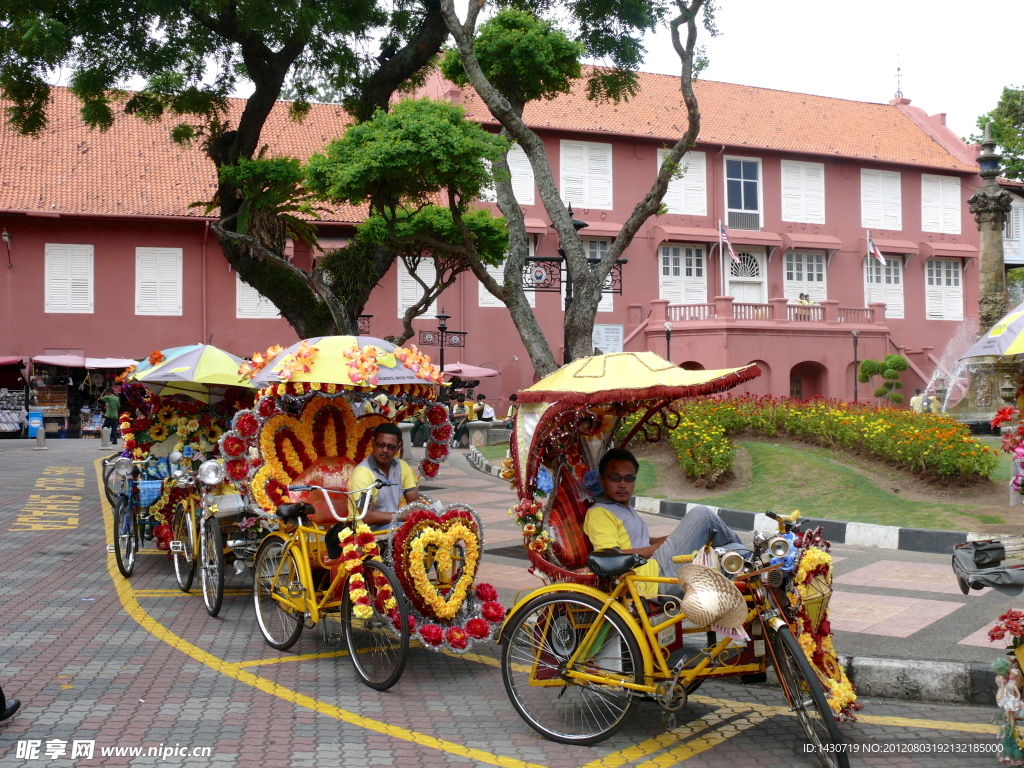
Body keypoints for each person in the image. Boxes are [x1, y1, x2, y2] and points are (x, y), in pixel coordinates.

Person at [583, 448, 742, 596]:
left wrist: (670, 540)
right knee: (703, 515)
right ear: (602, 480)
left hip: (657, 565)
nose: (623, 484)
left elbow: (641, 540)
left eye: (629, 479)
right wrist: (657, 547)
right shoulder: (599, 513)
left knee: (732, 551)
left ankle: (753, 569)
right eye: (616, 478)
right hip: (649, 577)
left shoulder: (622, 508)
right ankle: (753, 556)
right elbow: (610, 557)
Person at [347, 423, 420, 529]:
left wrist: (421, 511)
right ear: (373, 443)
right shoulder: (362, 473)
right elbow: (367, 516)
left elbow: (414, 500)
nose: (385, 450)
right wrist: (403, 516)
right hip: (365, 531)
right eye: (380, 445)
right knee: (408, 531)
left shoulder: (402, 467)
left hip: (393, 525)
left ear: (398, 448)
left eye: (391, 447)